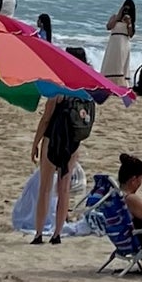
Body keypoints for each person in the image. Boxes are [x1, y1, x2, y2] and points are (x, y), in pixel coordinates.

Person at [31, 88, 94, 244]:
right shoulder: (85, 95)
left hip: (52, 141)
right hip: (72, 143)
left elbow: (46, 120)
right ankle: (57, 234)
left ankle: (39, 234)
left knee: (45, 188)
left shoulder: (57, 92)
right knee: (64, 189)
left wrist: (35, 143)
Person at [101, 0, 135, 83]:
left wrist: (129, 24)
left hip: (123, 43)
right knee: (110, 61)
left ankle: (121, 82)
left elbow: (130, 34)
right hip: (114, 42)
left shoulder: (130, 21)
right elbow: (109, 27)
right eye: (125, 9)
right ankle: (108, 81)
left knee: (120, 64)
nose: (126, 11)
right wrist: (118, 17)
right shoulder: (114, 17)